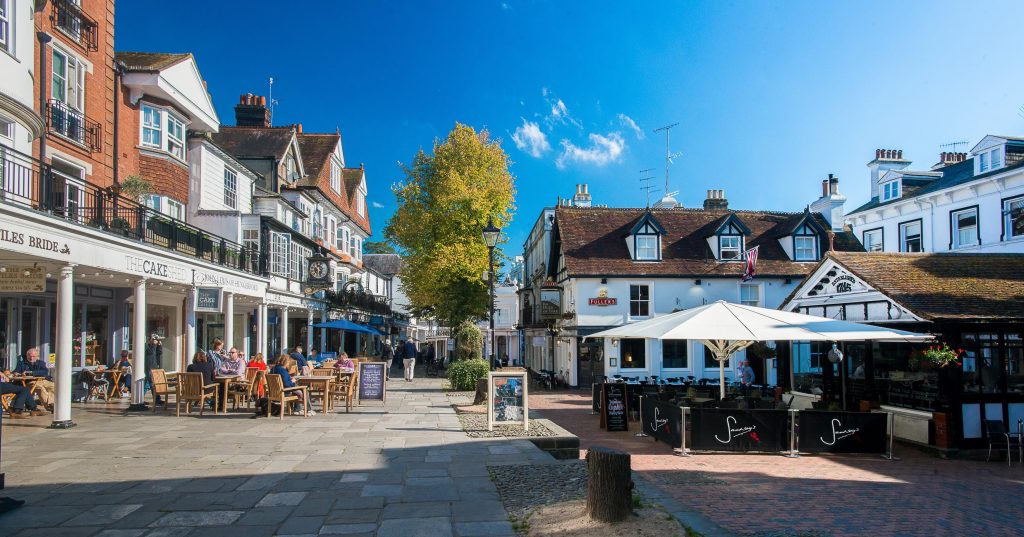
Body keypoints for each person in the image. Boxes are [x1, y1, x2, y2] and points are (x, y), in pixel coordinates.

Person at [145, 334, 164, 405]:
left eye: (155, 339)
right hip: (149, 367)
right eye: (153, 339)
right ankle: (157, 399)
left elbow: (159, 353)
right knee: (151, 384)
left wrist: (159, 345)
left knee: (150, 384)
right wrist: (153, 345)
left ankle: (157, 399)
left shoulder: (154, 346)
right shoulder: (147, 346)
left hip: (154, 366)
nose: (154, 341)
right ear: (149, 340)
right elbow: (151, 352)